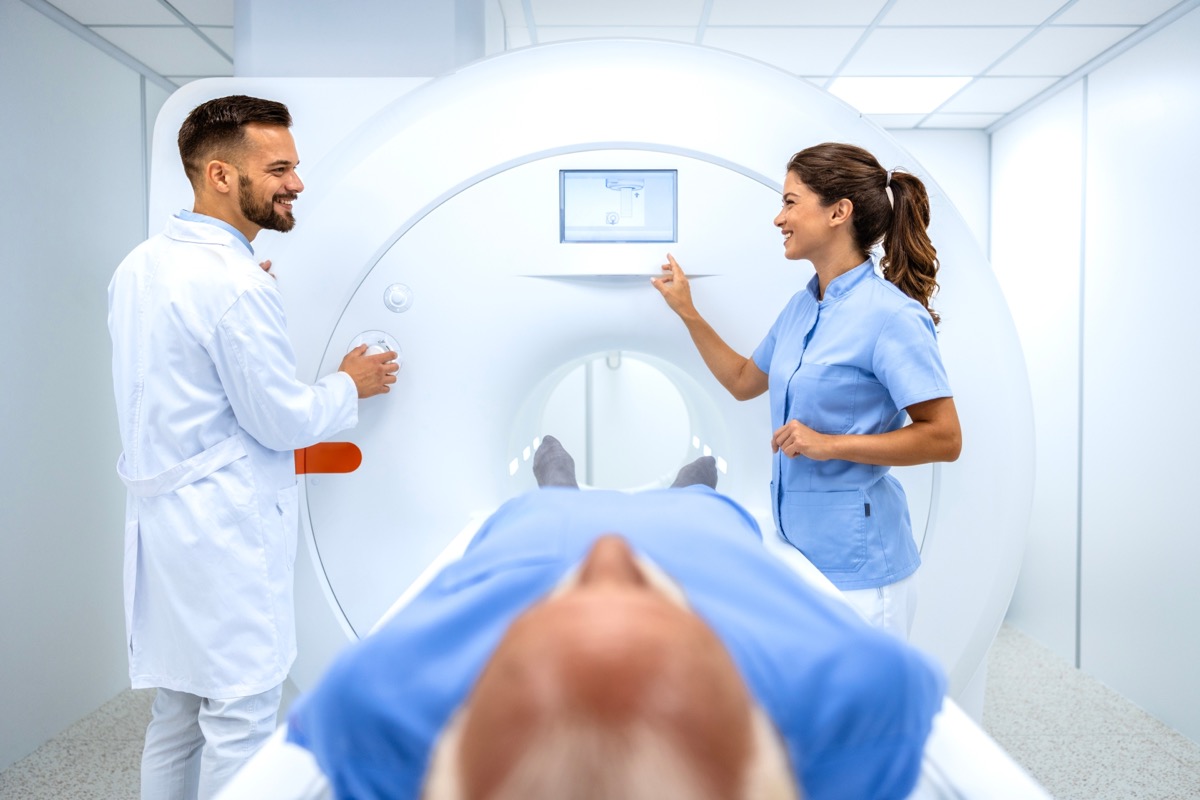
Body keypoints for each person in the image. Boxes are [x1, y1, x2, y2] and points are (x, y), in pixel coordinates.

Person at [284, 437, 945, 800]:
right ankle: (693, 485)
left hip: (534, 541)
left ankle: (558, 482)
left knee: (547, 507)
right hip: (702, 540)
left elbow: (344, 712)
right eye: (643, 595)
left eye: (571, 601)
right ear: (767, 745)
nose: (610, 552)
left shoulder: (379, 709)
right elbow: (899, 683)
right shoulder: (856, 699)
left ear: (447, 748)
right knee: (698, 504)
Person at [108, 94, 399, 800]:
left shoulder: (142, 267)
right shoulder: (234, 286)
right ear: (218, 176)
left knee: (177, 714)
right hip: (221, 532)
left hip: (164, 527)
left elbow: (182, 369)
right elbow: (281, 421)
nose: (296, 182)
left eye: (294, 167)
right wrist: (350, 384)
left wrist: (243, 302)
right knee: (240, 716)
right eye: (278, 169)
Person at [651, 142, 962, 637]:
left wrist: (828, 444)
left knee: (860, 712)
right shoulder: (802, 308)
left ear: (839, 212)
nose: (779, 218)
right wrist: (688, 312)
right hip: (796, 556)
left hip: (859, 571)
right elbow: (741, 382)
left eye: (791, 202)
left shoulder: (892, 317)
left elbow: (944, 438)